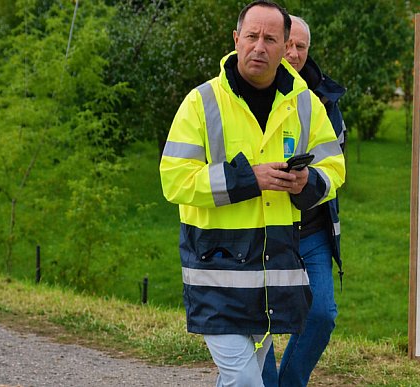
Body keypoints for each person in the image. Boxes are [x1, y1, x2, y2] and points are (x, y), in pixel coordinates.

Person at [158, 1, 345, 385]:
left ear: (284, 48)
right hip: (216, 270)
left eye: (270, 39)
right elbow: (174, 180)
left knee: (243, 380)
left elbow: (335, 168)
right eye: (251, 37)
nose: (259, 46)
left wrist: (307, 181)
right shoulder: (202, 102)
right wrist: (248, 179)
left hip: (272, 273)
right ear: (236, 40)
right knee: (245, 381)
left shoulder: (305, 103)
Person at [262, 15, 347, 387]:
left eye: (301, 47)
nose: (293, 54)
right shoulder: (248, 89)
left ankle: (289, 383)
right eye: (289, 44)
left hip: (311, 228)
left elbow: (335, 164)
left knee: (322, 314)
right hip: (258, 225)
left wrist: (308, 180)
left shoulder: (324, 99)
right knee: (256, 318)